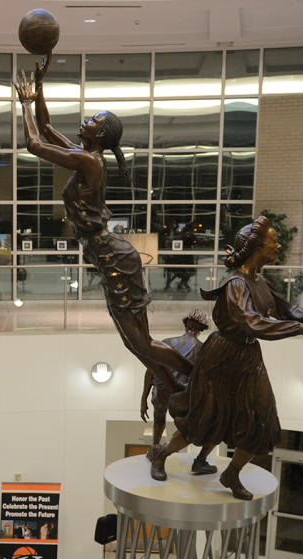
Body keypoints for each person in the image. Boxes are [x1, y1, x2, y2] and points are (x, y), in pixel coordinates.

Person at [15, 60, 189, 393]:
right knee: (134, 344)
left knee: (141, 342)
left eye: (93, 121)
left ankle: (198, 375)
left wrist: (24, 104)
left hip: (113, 257)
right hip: (107, 255)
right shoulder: (85, 156)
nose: (86, 121)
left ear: (101, 135)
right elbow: (46, 127)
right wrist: (39, 89)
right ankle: (173, 387)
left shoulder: (88, 161)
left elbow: (34, 144)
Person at [150, 216, 303, 499]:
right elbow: (251, 322)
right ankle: (161, 455)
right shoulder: (236, 285)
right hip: (222, 355)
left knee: (263, 419)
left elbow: (288, 310)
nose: (278, 246)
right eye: (273, 241)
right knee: (203, 421)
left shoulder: (260, 281)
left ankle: (232, 473)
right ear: (256, 247)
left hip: (249, 356)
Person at [140, 309, 209, 450]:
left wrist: (143, 398)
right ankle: (166, 450)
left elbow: (150, 370)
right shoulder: (203, 350)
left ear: (186, 324)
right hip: (183, 394)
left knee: (159, 417)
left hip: (162, 389)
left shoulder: (167, 343)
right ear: (202, 328)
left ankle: (155, 447)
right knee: (186, 425)